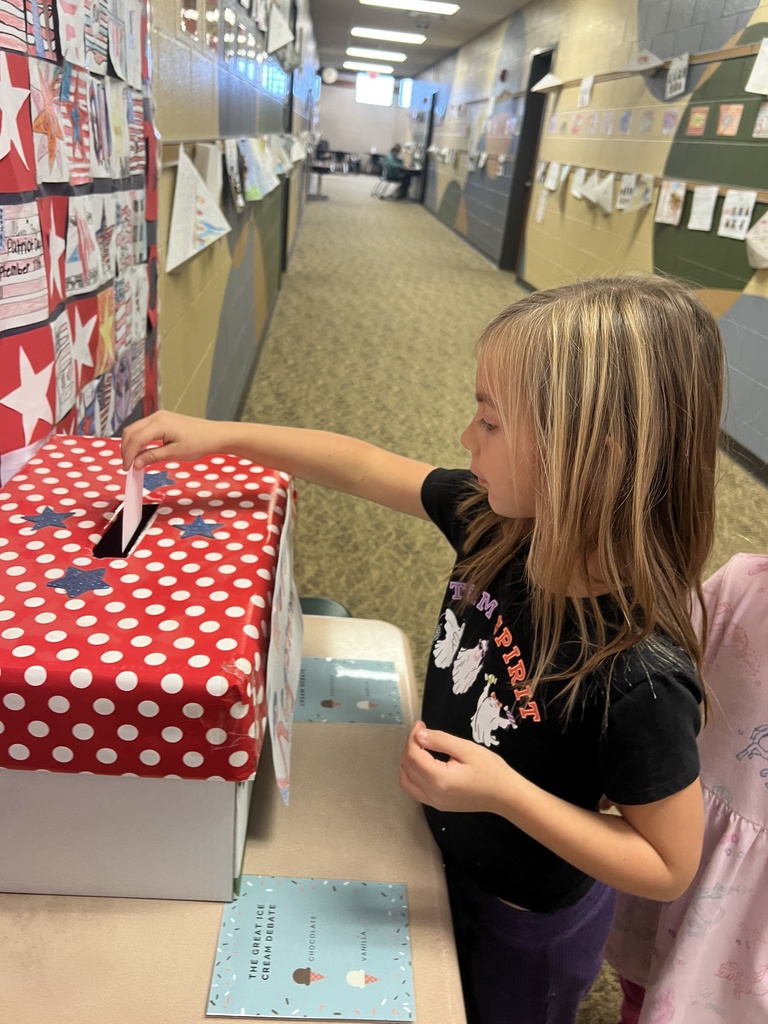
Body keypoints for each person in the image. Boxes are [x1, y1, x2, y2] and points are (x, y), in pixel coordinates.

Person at [121, 274, 724, 1024]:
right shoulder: (496, 523)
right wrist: (224, 435)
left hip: (523, 918)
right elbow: (365, 464)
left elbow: (667, 864)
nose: (466, 438)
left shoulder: (640, 674)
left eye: (491, 422)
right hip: (435, 845)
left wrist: (503, 793)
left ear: (589, 457)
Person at [605, 552, 768, 1024]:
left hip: (751, 925)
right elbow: (654, 683)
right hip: (681, 840)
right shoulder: (745, 585)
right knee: (643, 979)